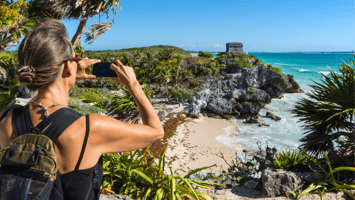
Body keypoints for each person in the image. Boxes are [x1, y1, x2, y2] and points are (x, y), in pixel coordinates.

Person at [0, 18, 164, 200]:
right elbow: (155, 131)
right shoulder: (89, 128)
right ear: (68, 66)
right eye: (74, 59)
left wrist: (66, 75)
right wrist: (133, 84)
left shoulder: (6, 118)